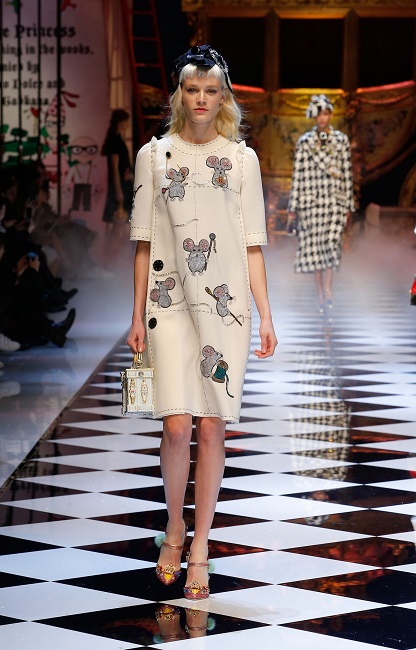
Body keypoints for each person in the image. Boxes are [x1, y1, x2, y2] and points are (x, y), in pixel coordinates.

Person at [127, 44, 278, 600]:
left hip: (225, 306)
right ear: (179, 94)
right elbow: (143, 242)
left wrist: (266, 315)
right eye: (192, 90)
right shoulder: (153, 156)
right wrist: (135, 313)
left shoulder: (242, 160)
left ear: (223, 97)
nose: (201, 99)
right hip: (166, 304)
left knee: (213, 426)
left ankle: (201, 546)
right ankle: (174, 527)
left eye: (211, 91)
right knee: (175, 425)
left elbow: (253, 244)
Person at [287, 94, 355, 314]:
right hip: (311, 203)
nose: (323, 118)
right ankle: (320, 292)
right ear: (314, 116)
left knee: (332, 245)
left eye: (326, 114)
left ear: (331, 115)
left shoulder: (341, 140)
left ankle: (328, 289)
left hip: (334, 201)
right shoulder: (305, 142)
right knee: (315, 249)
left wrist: (348, 205)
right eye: (319, 114)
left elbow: (347, 173)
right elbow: (298, 176)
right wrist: (293, 208)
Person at [101, 109, 133, 227]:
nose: (128, 124)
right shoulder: (115, 141)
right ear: (120, 122)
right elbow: (114, 168)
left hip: (125, 184)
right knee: (118, 220)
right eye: (126, 121)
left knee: (122, 221)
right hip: (120, 186)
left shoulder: (119, 140)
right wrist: (118, 191)